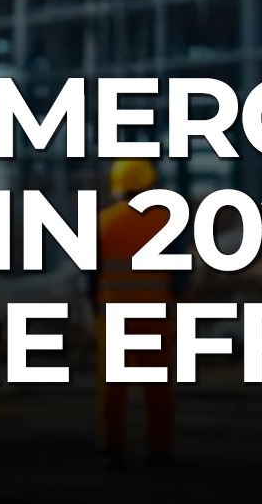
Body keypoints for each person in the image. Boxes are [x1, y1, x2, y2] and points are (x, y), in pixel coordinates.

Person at [93, 157, 176, 469]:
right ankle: (161, 449)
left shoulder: (104, 220)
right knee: (158, 386)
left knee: (113, 386)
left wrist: (95, 308)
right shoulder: (166, 221)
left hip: (113, 315)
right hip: (155, 314)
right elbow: (181, 273)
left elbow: (91, 273)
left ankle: (111, 447)